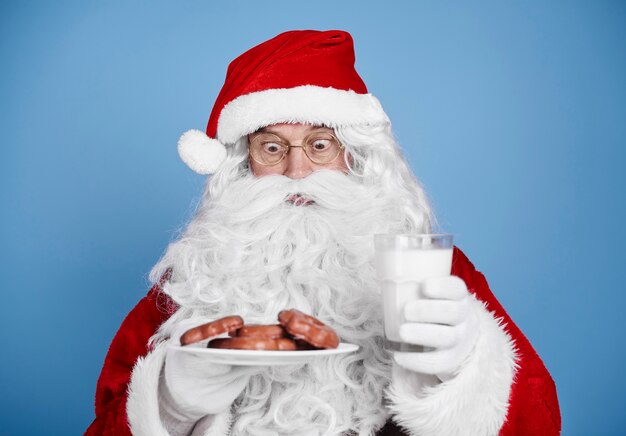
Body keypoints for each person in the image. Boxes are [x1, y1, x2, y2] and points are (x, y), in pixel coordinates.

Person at [86, 30, 560, 436]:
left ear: (354, 155)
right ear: (243, 164)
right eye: (271, 147)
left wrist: (463, 370)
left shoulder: (431, 275)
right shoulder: (194, 281)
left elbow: (541, 420)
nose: (297, 170)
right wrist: (171, 404)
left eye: (319, 144)